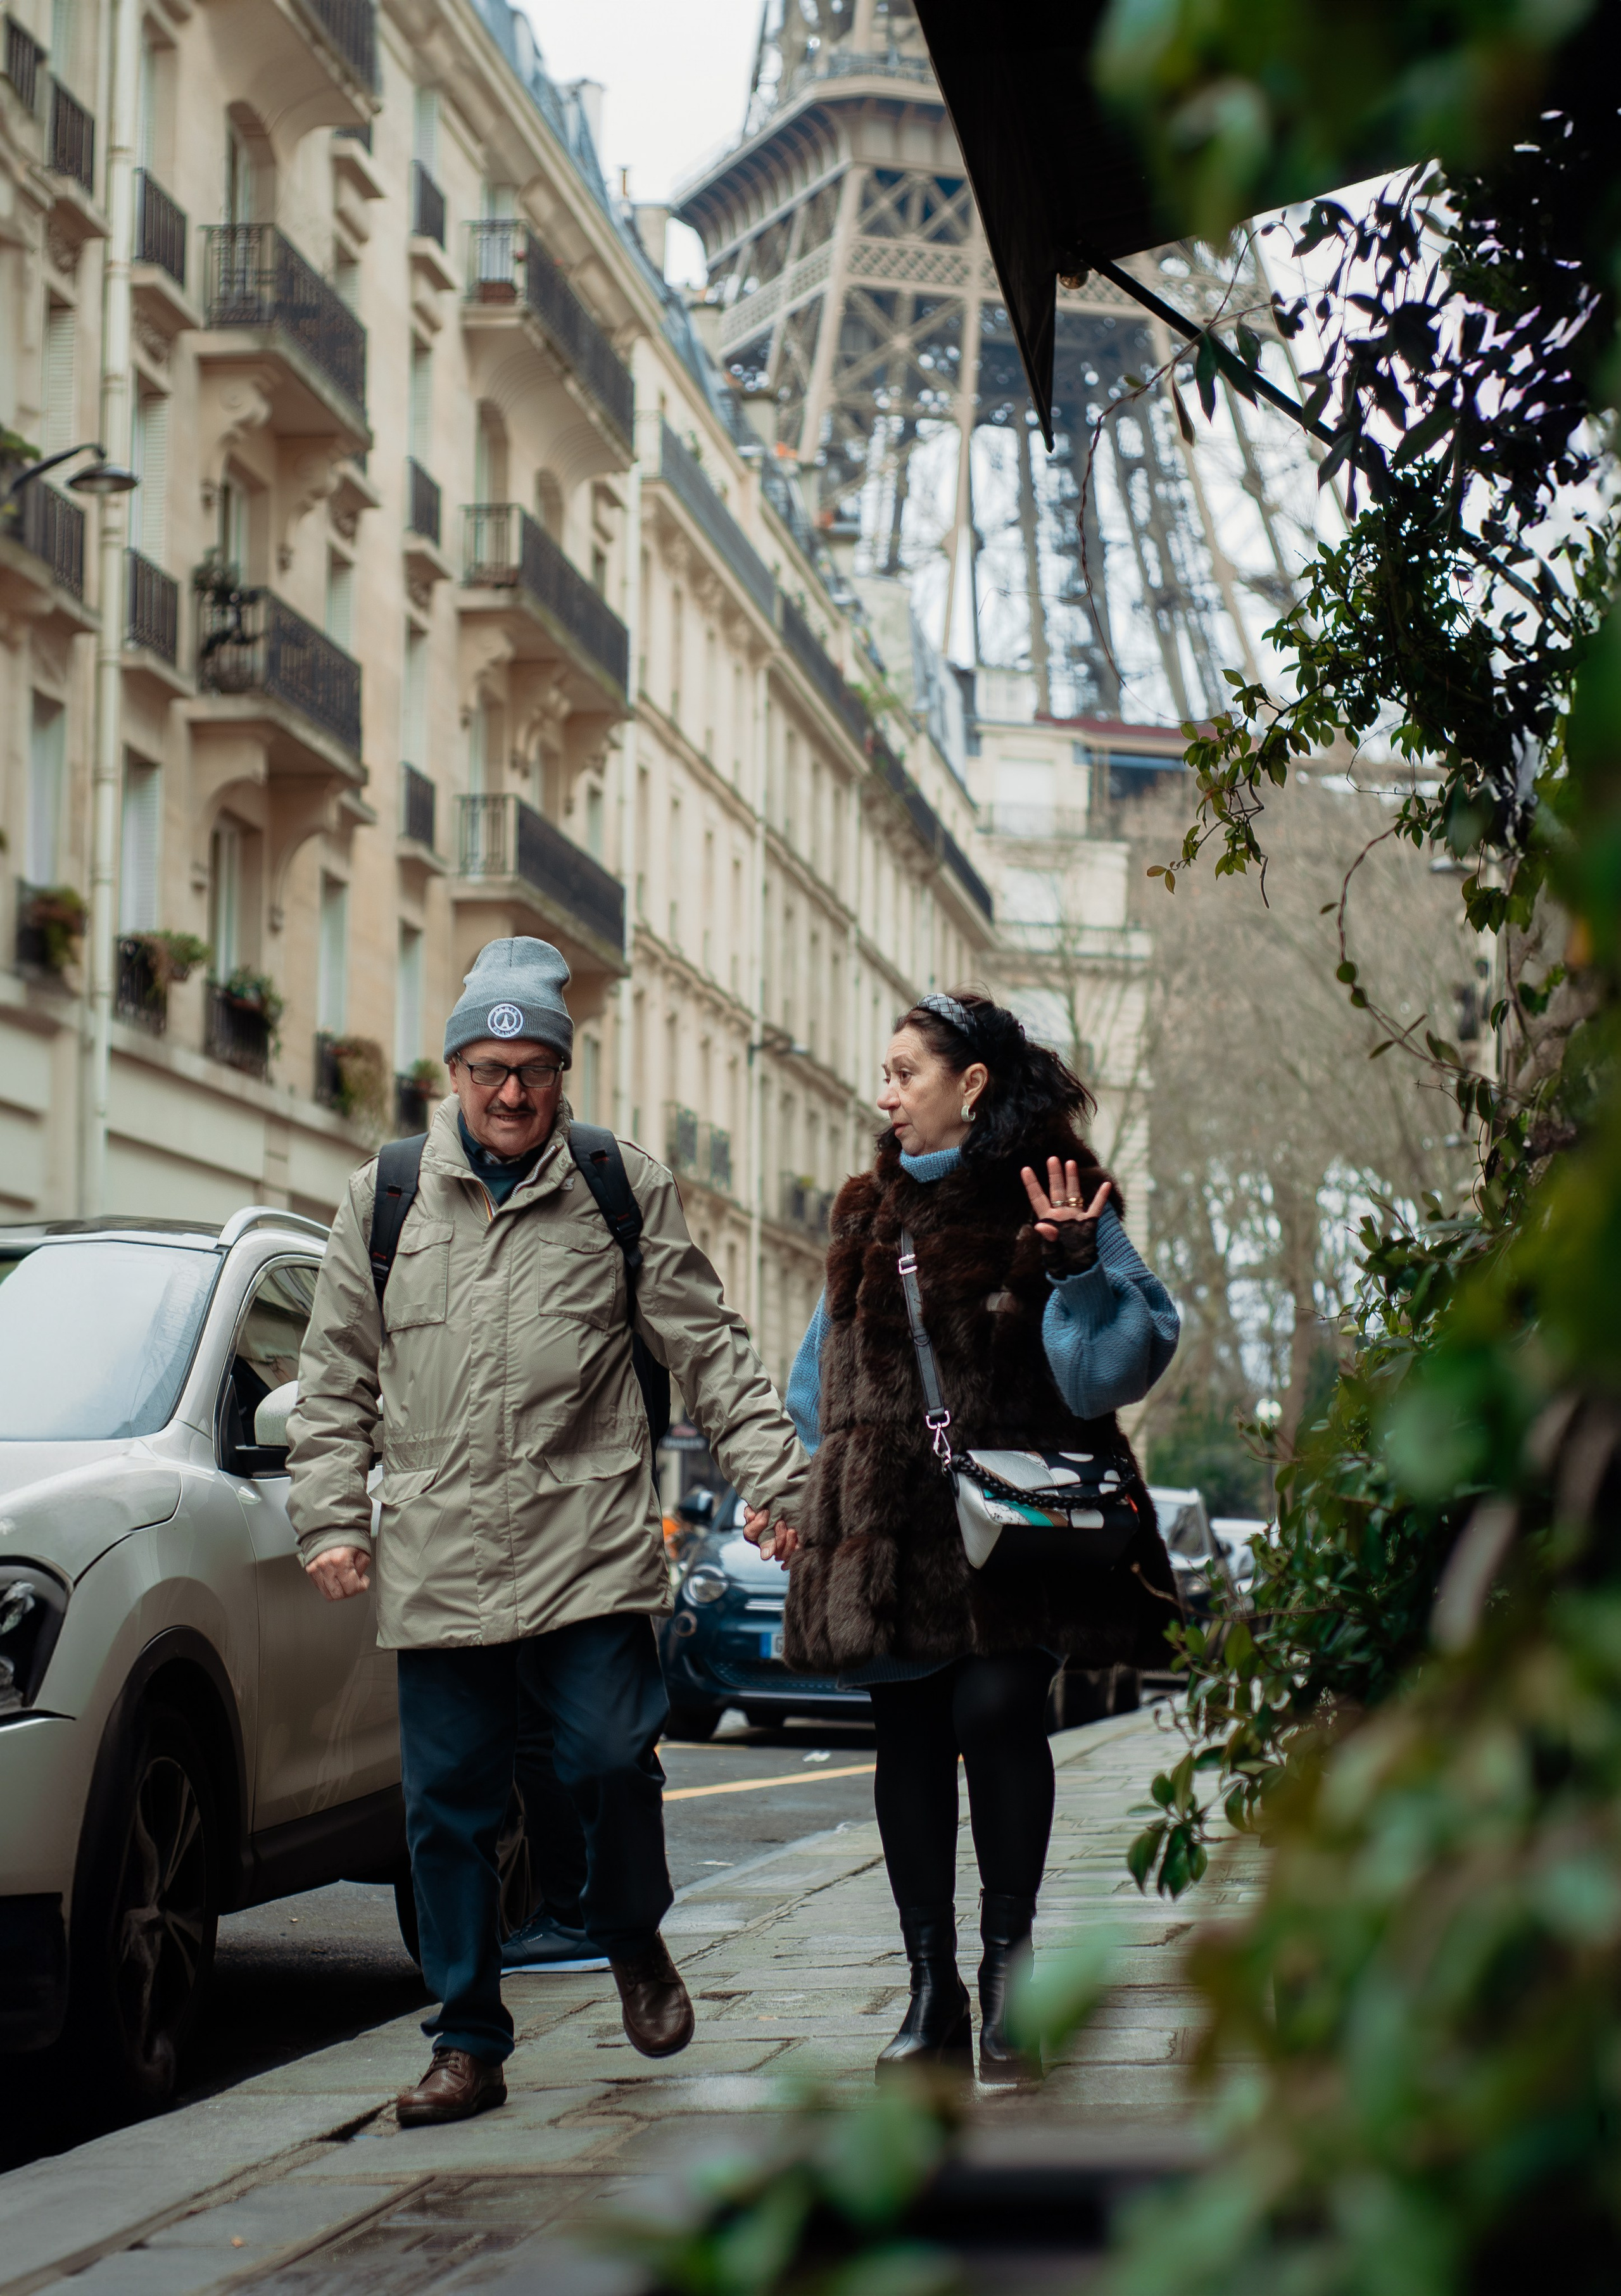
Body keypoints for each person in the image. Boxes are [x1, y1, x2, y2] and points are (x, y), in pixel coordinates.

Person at [287, 936, 808, 2125]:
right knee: (448, 1810)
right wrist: (330, 1516)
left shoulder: (620, 1186)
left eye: (532, 1069)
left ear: (562, 1073)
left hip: (588, 1547)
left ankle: (630, 1933)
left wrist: (778, 1483)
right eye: (489, 1068)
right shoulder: (386, 1196)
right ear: (455, 1070)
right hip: (440, 1551)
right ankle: (468, 2040)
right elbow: (334, 1377)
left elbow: (710, 1348)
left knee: (611, 1760)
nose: (511, 1092)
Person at [768, 990, 1180, 2085]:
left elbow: (1113, 1370)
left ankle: (1010, 1974)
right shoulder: (867, 1211)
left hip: (1013, 1534)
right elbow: (819, 1382)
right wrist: (799, 1497)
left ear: (973, 1082)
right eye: (886, 1073)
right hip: (893, 1534)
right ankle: (930, 1989)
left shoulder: (1058, 1191)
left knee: (996, 1710)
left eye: (905, 1071)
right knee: (906, 1733)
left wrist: (1080, 1264)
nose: (885, 1094)